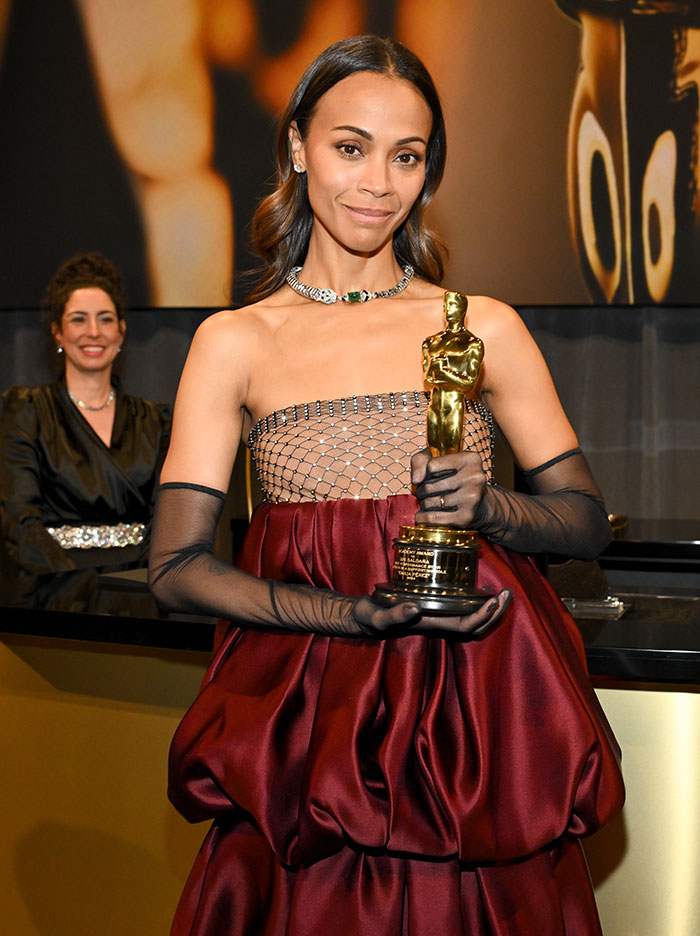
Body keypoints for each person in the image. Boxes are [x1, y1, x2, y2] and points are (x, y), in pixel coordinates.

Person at [149, 36, 624, 936]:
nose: (377, 182)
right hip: (307, 728)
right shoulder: (235, 342)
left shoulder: (482, 325)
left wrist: (490, 506)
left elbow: (584, 521)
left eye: (406, 157)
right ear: (297, 145)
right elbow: (176, 567)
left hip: (474, 722)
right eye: (350, 146)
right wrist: (349, 617)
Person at [0, 253, 171, 573]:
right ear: (57, 333)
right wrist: (75, 594)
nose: (93, 331)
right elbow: (19, 522)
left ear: (121, 331)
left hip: (138, 592)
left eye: (105, 318)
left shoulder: (155, 421)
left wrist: (143, 584)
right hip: (53, 593)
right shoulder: (26, 413)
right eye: (79, 318)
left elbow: (170, 521)